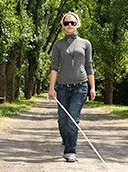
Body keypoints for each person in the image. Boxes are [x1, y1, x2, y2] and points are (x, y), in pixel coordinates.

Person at [48, 11, 96, 162]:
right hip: (62, 87)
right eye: (67, 23)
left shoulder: (85, 43)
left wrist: (92, 87)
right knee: (63, 120)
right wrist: (51, 88)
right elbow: (54, 67)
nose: (70, 25)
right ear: (63, 26)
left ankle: (70, 151)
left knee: (72, 120)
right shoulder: (58, 45)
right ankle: (67, 139)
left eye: (72, 23)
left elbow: (89, 66)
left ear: (78, 25)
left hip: (80, 87)